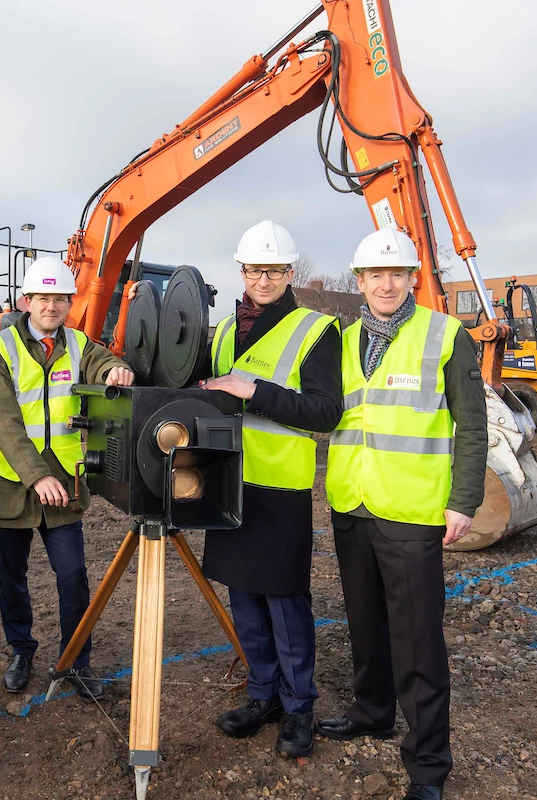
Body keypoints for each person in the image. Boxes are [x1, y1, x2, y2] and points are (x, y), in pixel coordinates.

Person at [317, 228, 487, 800]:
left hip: (413, 512)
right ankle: (372, 712)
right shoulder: (340, 340)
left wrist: (463, 500)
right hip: (353, 503)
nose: (386, 284)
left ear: (412, 279)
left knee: (417, 642)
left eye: (397, 275)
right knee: (366, 625)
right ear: (359, 282)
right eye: (374, 276)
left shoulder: (445, 335)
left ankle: (429, 765)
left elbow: (473, 425)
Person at [198, 220, 344, 758]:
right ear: (241, 272)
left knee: (285, 601)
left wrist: (253, 390)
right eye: (255, 269)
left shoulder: (314, 330)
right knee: (243, 596)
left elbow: (327, 411)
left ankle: (299, 705)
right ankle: (264, 695)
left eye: (275, 270)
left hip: (280, 486)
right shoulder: (219, 332)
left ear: (289, 273)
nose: (263, 278)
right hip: (227, 482)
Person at [0, 255, 135, 700]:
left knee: (72, 575)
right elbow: (4, 422)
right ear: (27, 301)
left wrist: (115, 371)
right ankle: (21, 650)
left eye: (61, 298)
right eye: (43, 297)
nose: (52, 306)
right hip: (10, 485)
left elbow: (105, 363)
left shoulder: (80, 343)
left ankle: (76, 660)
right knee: (13, 576)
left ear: (70, 302)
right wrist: (35, 477)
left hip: (64, 486)